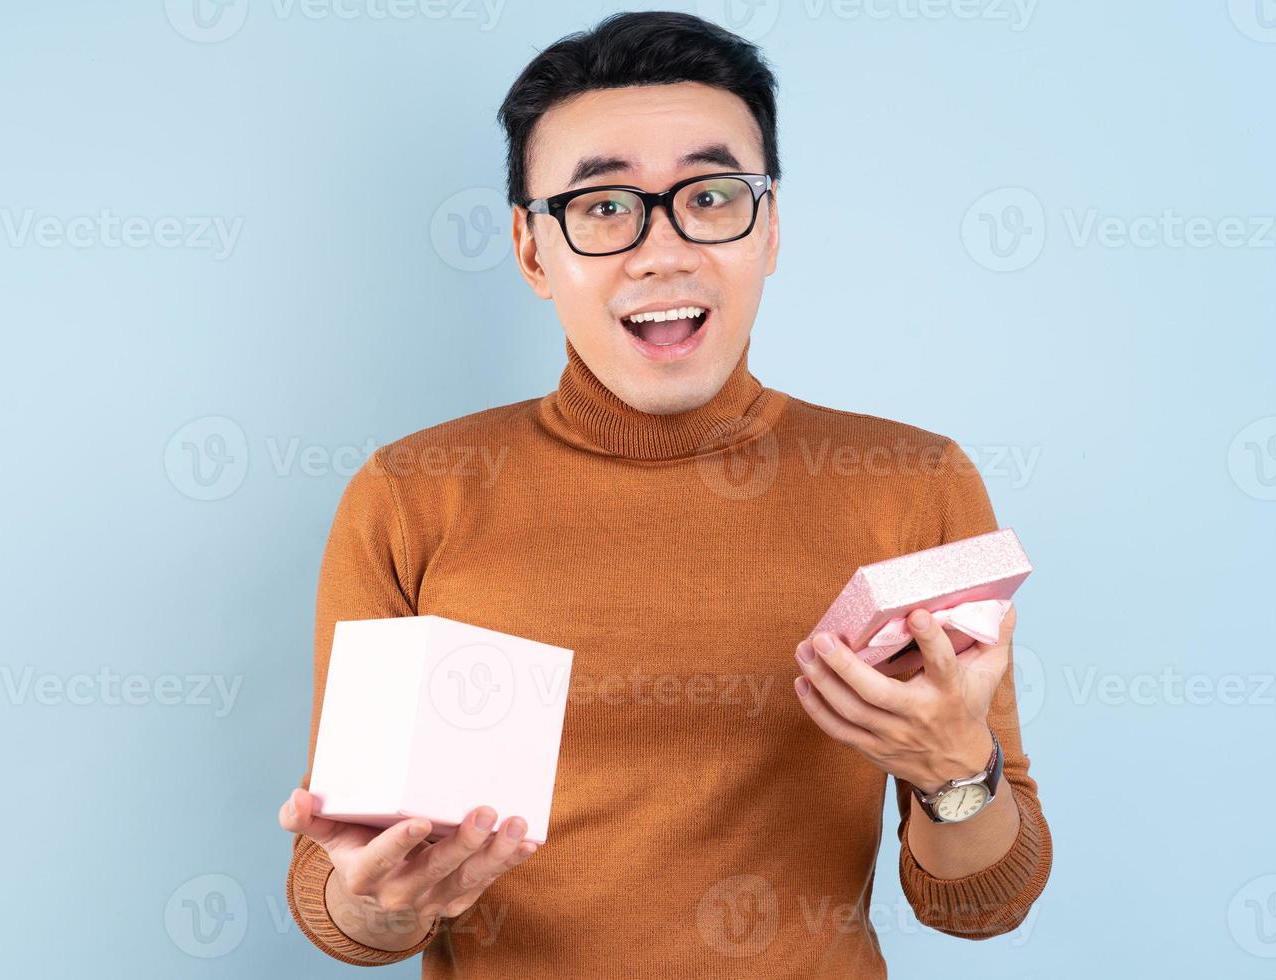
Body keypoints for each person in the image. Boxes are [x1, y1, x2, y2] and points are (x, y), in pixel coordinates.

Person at [278, 10, 1051, 976]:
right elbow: (343, 889)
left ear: (768, 228)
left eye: (712, 196)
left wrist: (954, 773)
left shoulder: (912, 485)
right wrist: (387, 904)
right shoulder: (412, 494)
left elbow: (984, 903)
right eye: (604, 208)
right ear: (531, 250)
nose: (663, 250)